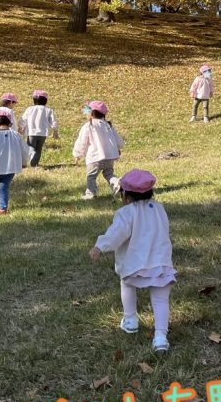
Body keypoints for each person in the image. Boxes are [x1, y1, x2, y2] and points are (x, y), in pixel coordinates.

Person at [89, 169, 175, 353]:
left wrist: (100, 246)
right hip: (160, 263)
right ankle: (161, 337)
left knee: (127, 283)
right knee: (160, 299)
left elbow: (116, 234)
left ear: (125, 196)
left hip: (135, 265)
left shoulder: (126, 213)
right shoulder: (159, 209)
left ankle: (130, 320)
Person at [73, 100, 124, 199]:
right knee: (109, 174)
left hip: (95, 158)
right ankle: (116, 184)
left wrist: (78, 154)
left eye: (86, 112)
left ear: (91, 114)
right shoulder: (108, 125)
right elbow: (118, 140)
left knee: (91, 176)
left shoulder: (88, 126)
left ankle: (91, 193)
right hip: (109, 157)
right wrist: (118, 148)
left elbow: (82, 142)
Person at [20, 89, 59, 168]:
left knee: (30, 147)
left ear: (34, 100)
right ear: (45, 101)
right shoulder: (48, 110)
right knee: (39, 149)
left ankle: (32, 156)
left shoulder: (29, 109)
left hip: (32, 132)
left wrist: (21, 128)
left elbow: (23, 119)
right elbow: (53, 121)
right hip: (43, 133)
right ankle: (35, 164)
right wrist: (55, 131)